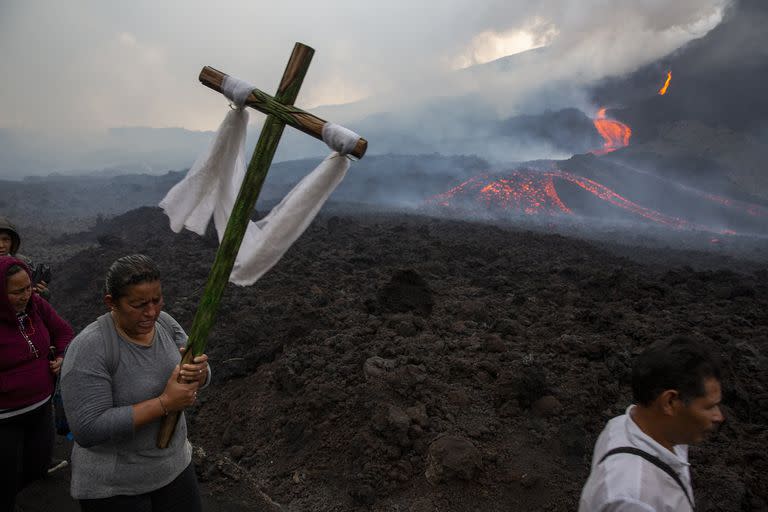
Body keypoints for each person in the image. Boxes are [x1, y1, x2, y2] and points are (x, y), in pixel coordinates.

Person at [60, 254, 211, 511]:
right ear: (111, 302)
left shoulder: (165, 323)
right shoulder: (90, 348)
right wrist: (164, 403)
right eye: (138, 304)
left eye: (156, 300)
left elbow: (200, 368)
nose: (151, 312)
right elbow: (88, 428)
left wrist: (201, 373)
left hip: (174, 470)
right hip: (117, 488)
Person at [579, 336, 725, 511]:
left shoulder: (624, 425)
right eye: (709, 407)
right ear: (670, 402)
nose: (719, 416)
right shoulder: (634, 498)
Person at [0, 256, 73, 512]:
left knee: (37, 467)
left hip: (41, 409)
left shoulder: (36, 306)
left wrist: (62, 356)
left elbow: (64, 331)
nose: (25, 295)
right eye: (17, 291)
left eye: (28, 288)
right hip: (5, 417)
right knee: (5, 478)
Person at [0, 216, 50, 300]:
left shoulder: (23, 264)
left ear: (12, 242)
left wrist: (42, 296)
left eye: (6, 239)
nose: (1, 245)